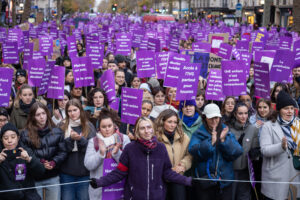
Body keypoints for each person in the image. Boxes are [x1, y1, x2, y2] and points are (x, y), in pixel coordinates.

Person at [90, 117, 193, 199]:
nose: (147, 131)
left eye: (149, 127)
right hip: (134, 196)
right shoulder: (130, 148)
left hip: (157, 196)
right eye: (142, 128)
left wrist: (186, 180)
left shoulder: (161, 148)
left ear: (153, 129)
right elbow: (119, 172)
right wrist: (100, 182)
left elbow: (167, 172)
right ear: (137, 131)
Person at [188, 103, 243, 200]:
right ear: (205, 118)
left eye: (216, 118)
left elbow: (237, 152)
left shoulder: (226, 131)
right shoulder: (198, 133)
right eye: (211, 118)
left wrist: (223, 140)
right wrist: (211, 142)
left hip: (224, 181)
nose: (214, 121)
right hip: (205, 181)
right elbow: (193, 150)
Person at [21, 102, 67, 200]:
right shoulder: (25, 134)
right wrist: (41, 162)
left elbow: (62, 152)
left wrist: (54, 162)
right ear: (33, 117)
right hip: (35, 178)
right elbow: (27, 153)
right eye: (38, 114)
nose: (42, 117)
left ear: (47, 113)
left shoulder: (57, 131)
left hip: (53, 176)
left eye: (43, 113)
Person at [260, 91, 300, 200]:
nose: (290, 111)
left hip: (295, 176)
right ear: (279, 110)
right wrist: (281, 146)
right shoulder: (268, 126)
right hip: (276, 178)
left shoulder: (298, 124)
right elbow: (264, 150)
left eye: (292, 108)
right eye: (286, 108)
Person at [84, 108, 130, 200]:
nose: (107, 129)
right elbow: (88, 165)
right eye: (103, 127)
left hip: (119, 188)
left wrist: (117, 153)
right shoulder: (93, 141)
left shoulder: (124, 139)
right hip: (99, 191)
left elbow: (129, 164)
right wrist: (101, 153)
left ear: (114, 125)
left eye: (109, 126)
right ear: (99, 128)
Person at [59, 99, 97, 200]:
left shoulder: (88, 126)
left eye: (75, 110)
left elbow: (92, 149)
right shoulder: (62, 126)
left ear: (80, 109)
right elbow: (60, 148)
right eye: (69, 111)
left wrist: (81, 139)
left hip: (84, 173)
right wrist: (70, 140)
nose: (72, 113)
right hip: (66, 173)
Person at [0, 123, 45, 200]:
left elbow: (41, 172)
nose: (9, 141)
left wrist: (29, 159)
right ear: (2, 140)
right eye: (6, 138)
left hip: (29, 197)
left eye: (13, 137)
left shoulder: (26, 151)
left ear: (18, 138)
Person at [155, 109, 192, 200]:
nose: (173, 125)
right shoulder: (155, 138)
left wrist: (183, 165)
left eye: (175, 122)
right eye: (169, 122)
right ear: (162, 121)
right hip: (160, 179)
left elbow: (189, 155)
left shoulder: (183, 137)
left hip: (178, 177)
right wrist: (168, 169)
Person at [228, 102, 259, 200]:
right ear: (235, 114)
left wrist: (255, 153)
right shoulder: (228, 128)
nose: (243, 116)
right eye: (240, 113)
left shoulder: (252, 128)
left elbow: (255, 148)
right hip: (230, 170)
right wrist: (236, 144)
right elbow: (225, 151)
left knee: (244, 197)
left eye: (246, 113)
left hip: (246, 171)